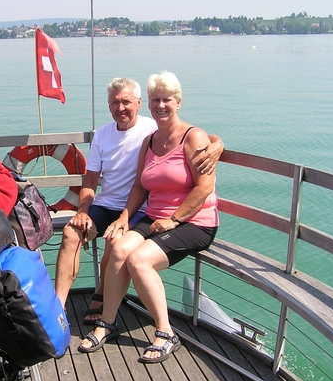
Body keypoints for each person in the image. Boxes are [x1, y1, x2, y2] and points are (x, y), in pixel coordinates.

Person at [55, 77, 223, 326]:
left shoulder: (150, 128)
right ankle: (58, 307)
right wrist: (82, 211)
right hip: (106, 205)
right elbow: (89, 182)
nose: (120, 108)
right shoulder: (103, 135)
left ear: (139, 103)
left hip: (139, 210)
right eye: (114, 103)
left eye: (126, 102)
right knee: (71, 234)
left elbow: (193, 135)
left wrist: (218, 144)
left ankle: (101, 295)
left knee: (116, 240)